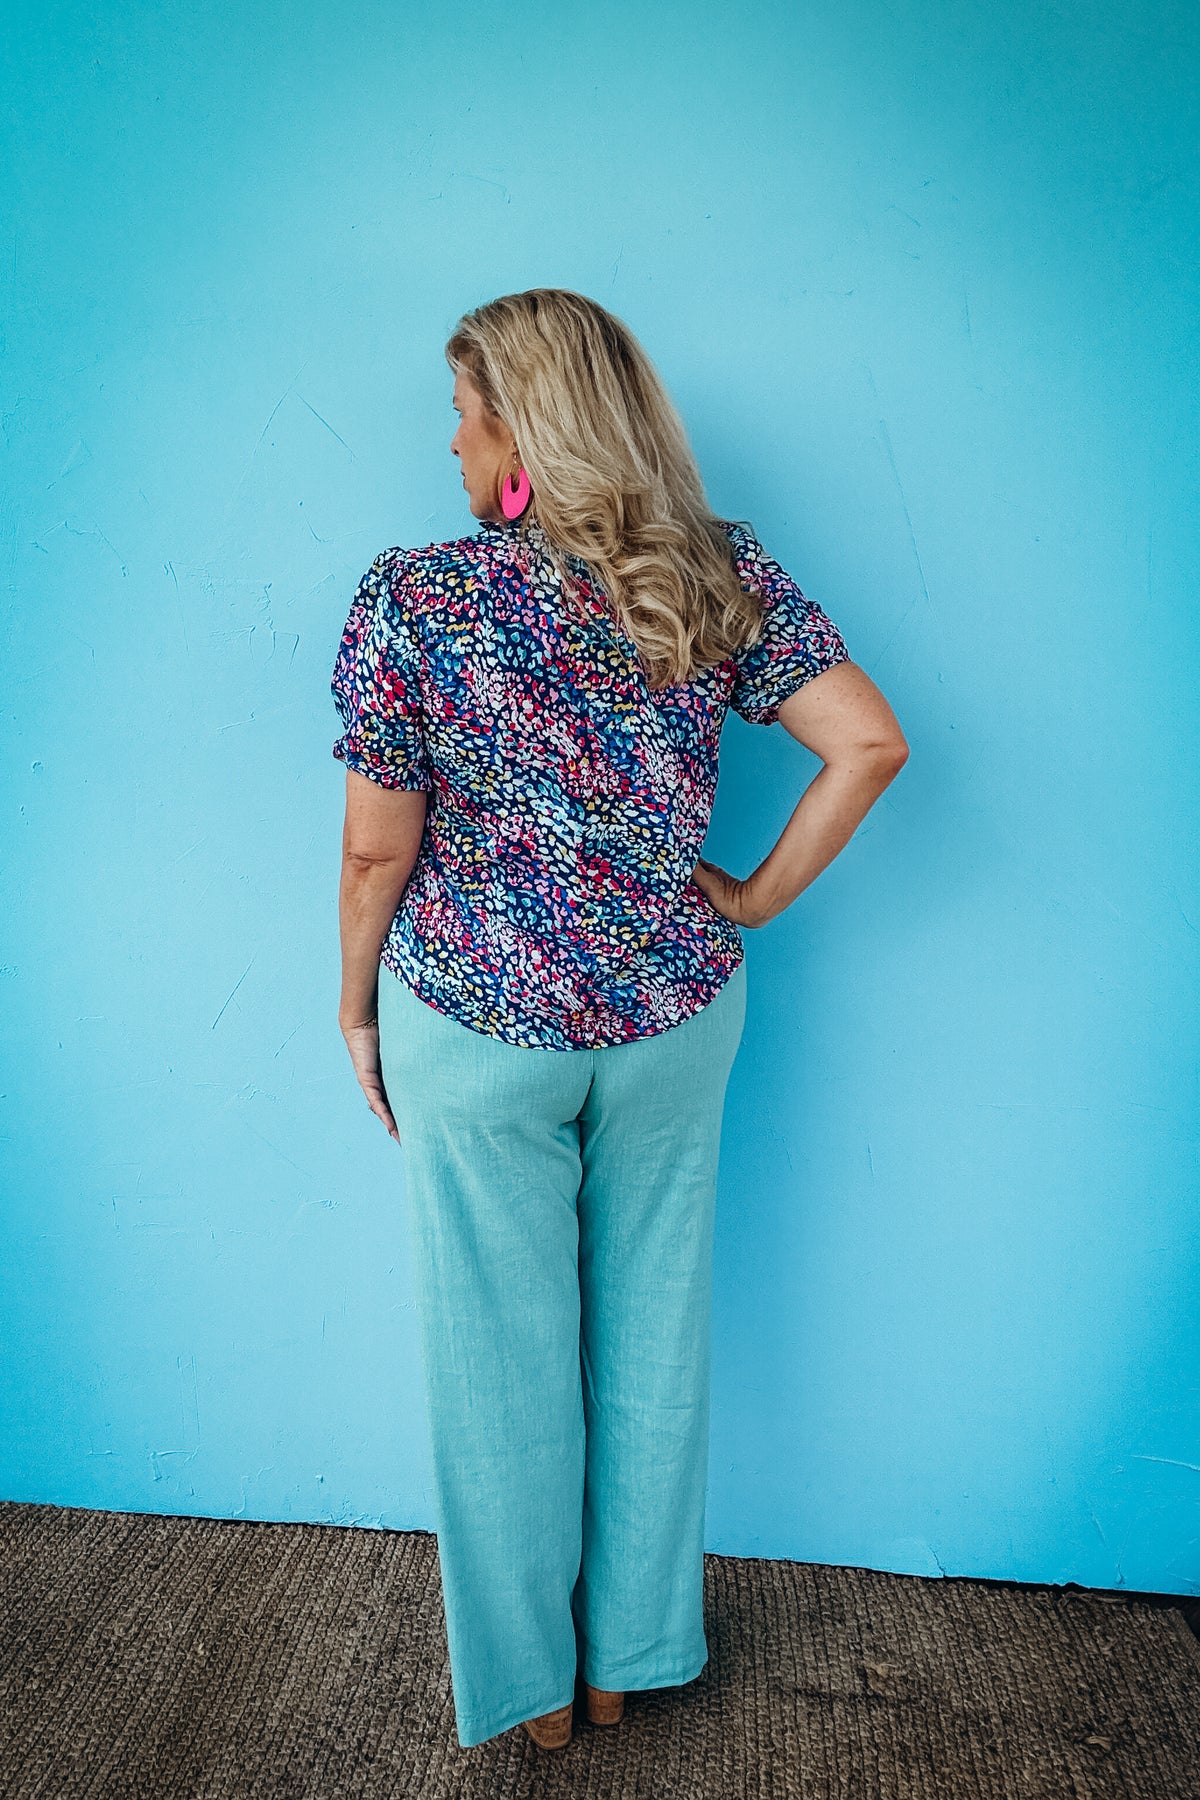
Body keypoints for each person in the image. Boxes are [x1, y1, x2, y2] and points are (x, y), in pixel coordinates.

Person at [331, 288, 909, 1753]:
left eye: (464, 411)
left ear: (523, 435)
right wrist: (752, 898)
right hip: (670, 1015)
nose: (450, 440)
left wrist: (353, 1007)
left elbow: (376, 851)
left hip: (478, 1021)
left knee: (498, 1362)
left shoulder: (415, 595)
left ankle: (533, 1697)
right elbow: (868, 742)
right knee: (656, 1336)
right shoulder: (718, 570)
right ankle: (627, 1659)